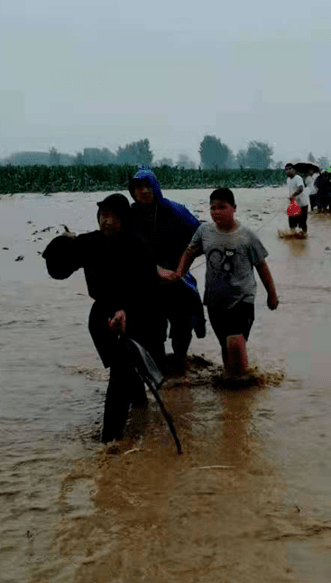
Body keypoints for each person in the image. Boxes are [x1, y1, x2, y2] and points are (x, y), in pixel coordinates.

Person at [42, 193, 162, 442]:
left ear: (124, 219)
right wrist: (59, 246)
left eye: (113, 216)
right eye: (103, 215)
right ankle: (139, 407)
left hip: (136, 314)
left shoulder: (138, 246)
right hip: (101, 316)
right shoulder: (88, 243)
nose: (107, 221)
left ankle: (111, 442)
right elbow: (59, 270)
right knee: (126, 371)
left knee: (121, 372)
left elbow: (148, 289)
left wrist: (125, 311)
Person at [172, 188, 279, 379]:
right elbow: (189, 252)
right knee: (226, 345)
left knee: (235, 343)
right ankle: (232, 385)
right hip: (215, 301)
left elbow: (261, 266)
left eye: (222, 207)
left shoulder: (247, 236)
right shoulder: (204, 231)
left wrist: (272, 294)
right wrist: (180, 273)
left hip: (242, 299)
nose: (217, 212)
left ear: (234, 208)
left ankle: (242, 394)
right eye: (213, 208)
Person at [128, 166, 205, 374]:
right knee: (152, 331)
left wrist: (180, 269)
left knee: (183, 323)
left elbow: (201, 239)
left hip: (176, 278)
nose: (143, 191)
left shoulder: (174, 211)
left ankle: (180, 361)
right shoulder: (129, 216)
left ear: (155, 187)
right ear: (132, 191)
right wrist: (152, 269)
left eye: (147, 186)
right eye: (138, 187)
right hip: (146, 283)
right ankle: (158, 368)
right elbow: (123, 249)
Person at [285, 163, 308, 233]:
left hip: (302, 205)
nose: (288, 171)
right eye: (286, 169)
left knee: (302, 224)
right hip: (293, 205)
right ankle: (293, 240)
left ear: (294, 170)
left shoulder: (298, 178)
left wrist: (293, 195)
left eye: (290, 169)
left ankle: (304, 239)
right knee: (292, 224)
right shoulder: (288, 180)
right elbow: (290, 190)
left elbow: (300, 189)